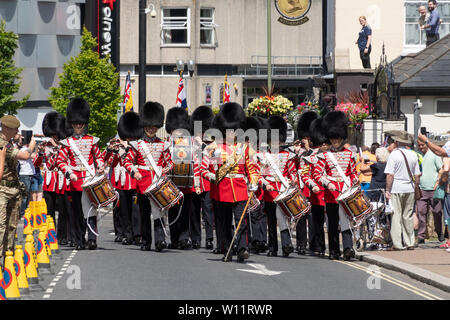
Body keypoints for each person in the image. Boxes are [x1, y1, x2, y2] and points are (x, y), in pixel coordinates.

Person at [200, 102, 258, 262]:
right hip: (221, 189)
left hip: (240, 188)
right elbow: (203, 169)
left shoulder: (244, 148)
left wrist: (254, 181)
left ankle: (242, 249)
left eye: (233, 130)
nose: (231, 133)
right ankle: (226, 249)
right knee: (223, 222)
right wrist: (214, 178)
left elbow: (252, 167)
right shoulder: (213, 147)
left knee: (241, 220)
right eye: (228, 131)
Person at [123, 101, 173, 252]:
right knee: (144, 213)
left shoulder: (163, 144)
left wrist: (165, 170)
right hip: (143, 182)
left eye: (153, 127)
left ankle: (160, 241)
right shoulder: (137, 145)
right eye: (148, 127)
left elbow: (169, 162)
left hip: (157, 181)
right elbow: (127, 161)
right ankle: (146, 241)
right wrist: (134, 172)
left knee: (159, 212)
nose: (151, 129)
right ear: (144, 126)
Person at [57, 98, 105, 250]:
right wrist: (69, 173)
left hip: (89, 179)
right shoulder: (67, 143)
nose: (78, 126)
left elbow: (99, 156)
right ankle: (78, 239)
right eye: (75, 124)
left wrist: (101, 166)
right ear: (72, 124)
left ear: (84, 123)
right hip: (75, 181)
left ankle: (92, 239)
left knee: (91, 211)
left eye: (80, 123)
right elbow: (61, 161)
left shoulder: (92, 141)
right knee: (77, 212)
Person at [313, 111, 359, 261]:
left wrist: (354, 182)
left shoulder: (349, 154)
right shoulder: (324, 156)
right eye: (333, 139)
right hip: (331, 194)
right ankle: (334, 250)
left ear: (341, 137)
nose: (335, 141)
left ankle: (347, 248)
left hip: (345, 192)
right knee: (332, 224)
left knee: (346, 222)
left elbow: (353, 172)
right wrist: (328, 183)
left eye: (337, 138)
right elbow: (317, 174)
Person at [0, 115, 36, 266]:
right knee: (2, 226)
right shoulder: (3, 145)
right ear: (7, 129)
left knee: (12, 226)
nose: (17, 131)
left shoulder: (8, 143)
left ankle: (8, 257)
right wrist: (32, 142)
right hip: (3, 190)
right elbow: (25, 155)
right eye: (15, 129)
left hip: (13, 189)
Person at [104, 111, 142, 246]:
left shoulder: (139, 146)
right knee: (122, 210)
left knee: (136, 210)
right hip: (121, 181)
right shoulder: (116, 144)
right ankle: (125, 234)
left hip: (135, 180)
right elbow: (108, 161)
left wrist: (127, 149)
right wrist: (112, 151)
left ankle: (137, 235)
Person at [165, 107, 195, 250]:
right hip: (171, 184)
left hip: (187, 185)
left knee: (185, 212)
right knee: (172, 212)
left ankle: (184, 238)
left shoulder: (192, 142)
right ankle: (174, 239)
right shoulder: (167, 142)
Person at [385, 132, 420, 250]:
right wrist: (415, 186)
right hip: (409, 188)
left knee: (396, 215)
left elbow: (390, 175)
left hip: (396, 188)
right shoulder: (413, 155)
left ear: (397, 142)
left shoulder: (394, 155)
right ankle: (410, 242)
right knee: (408, 216)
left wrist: (387, 190)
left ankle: (397, 244)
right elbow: (417, 175)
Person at [300, 116, 329, 256]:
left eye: (326, 143)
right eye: (322, 143)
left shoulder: (334, 155)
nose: (324, 145)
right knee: (316, 221)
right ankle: (318, 245)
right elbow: (305, 174)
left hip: (331, 192)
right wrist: (313, 186)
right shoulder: (310, 157)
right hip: (317, 193)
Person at [41, 112, 72, 245]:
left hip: (62, 181)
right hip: (50, 182)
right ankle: (50, 234)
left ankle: (62, 236)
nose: (54, 137)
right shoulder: (47, 146)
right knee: (50, 211)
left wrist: (57, 149)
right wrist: (42, 152)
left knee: (64, 210)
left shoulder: (65, 146)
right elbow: (47, 164)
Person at [191, 106, 215, 250]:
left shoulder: (212, 145)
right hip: (194, 182)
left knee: (207, 211)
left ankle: (209, 239)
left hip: (207, 182)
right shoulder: (190, 143)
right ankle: (195, 238)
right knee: (194, 212)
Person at [295, 110, 319, 254]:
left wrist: (308, 150)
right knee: (301, 217)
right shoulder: (299, 152)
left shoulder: (317, 151)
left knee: (314, 218)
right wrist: (298, 152)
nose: (306, 141)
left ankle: (314, 243)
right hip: (302, 189)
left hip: (314, 189)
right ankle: (301, 244)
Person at [417, 139, 444, 243]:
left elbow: (441, 169)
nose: (421, 147)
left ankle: (439, 233)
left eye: (422, 145)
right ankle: (421, 236)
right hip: (421, 189)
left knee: (437, 212)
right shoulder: (418, 155)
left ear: (427, 144)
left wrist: (438, 183)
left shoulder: (434, 155)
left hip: (433, 189)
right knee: (421, 212)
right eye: (419, 145)